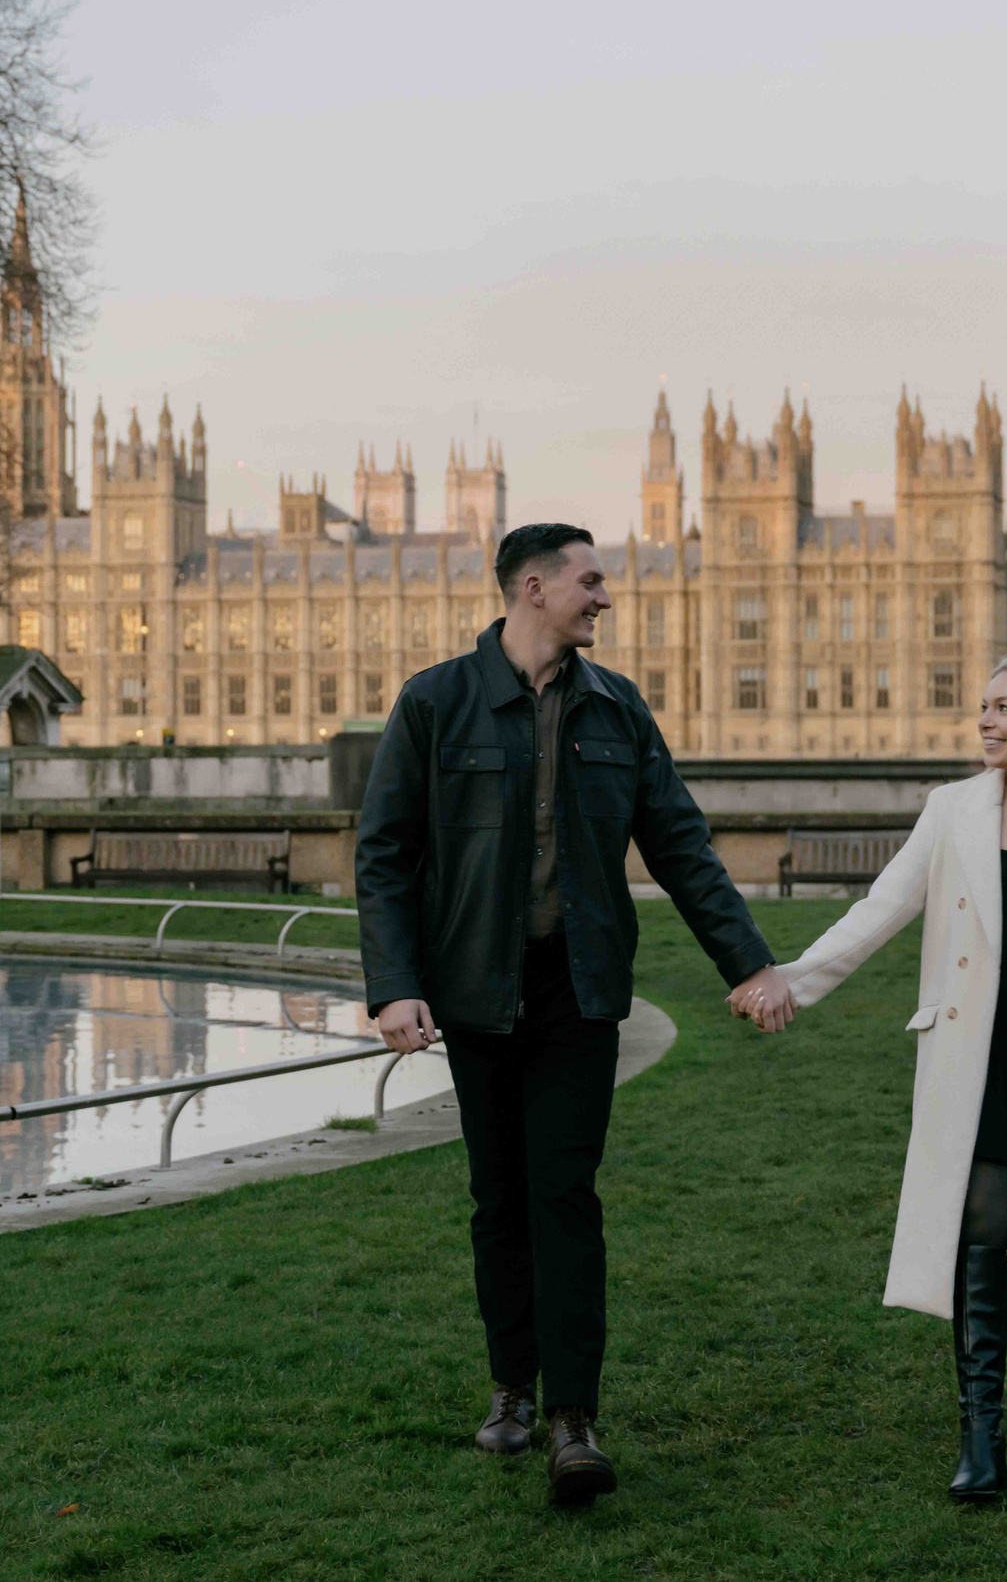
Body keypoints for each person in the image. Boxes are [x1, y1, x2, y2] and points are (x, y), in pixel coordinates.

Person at [355, 521, 794, 1507]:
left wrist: (749, 962)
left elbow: (680, 846)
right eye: (590, 581)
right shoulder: (435, 703)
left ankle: (571, 1418)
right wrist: (393, 983)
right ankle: (510, 1390)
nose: (604, 597)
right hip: (473, 989)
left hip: (579, 990)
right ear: (532, 587)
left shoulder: (617, 711)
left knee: (565, 1196)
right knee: (497, 1199)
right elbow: (385, 856)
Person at [730, 654, 1007, 1503]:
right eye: (982, 706)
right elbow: (880, 909)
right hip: (978, 1051)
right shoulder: (952, 812)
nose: (984, 721)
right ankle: (980, 1430)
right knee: (981, 1229)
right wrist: (789, 976)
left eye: (1003, 708)